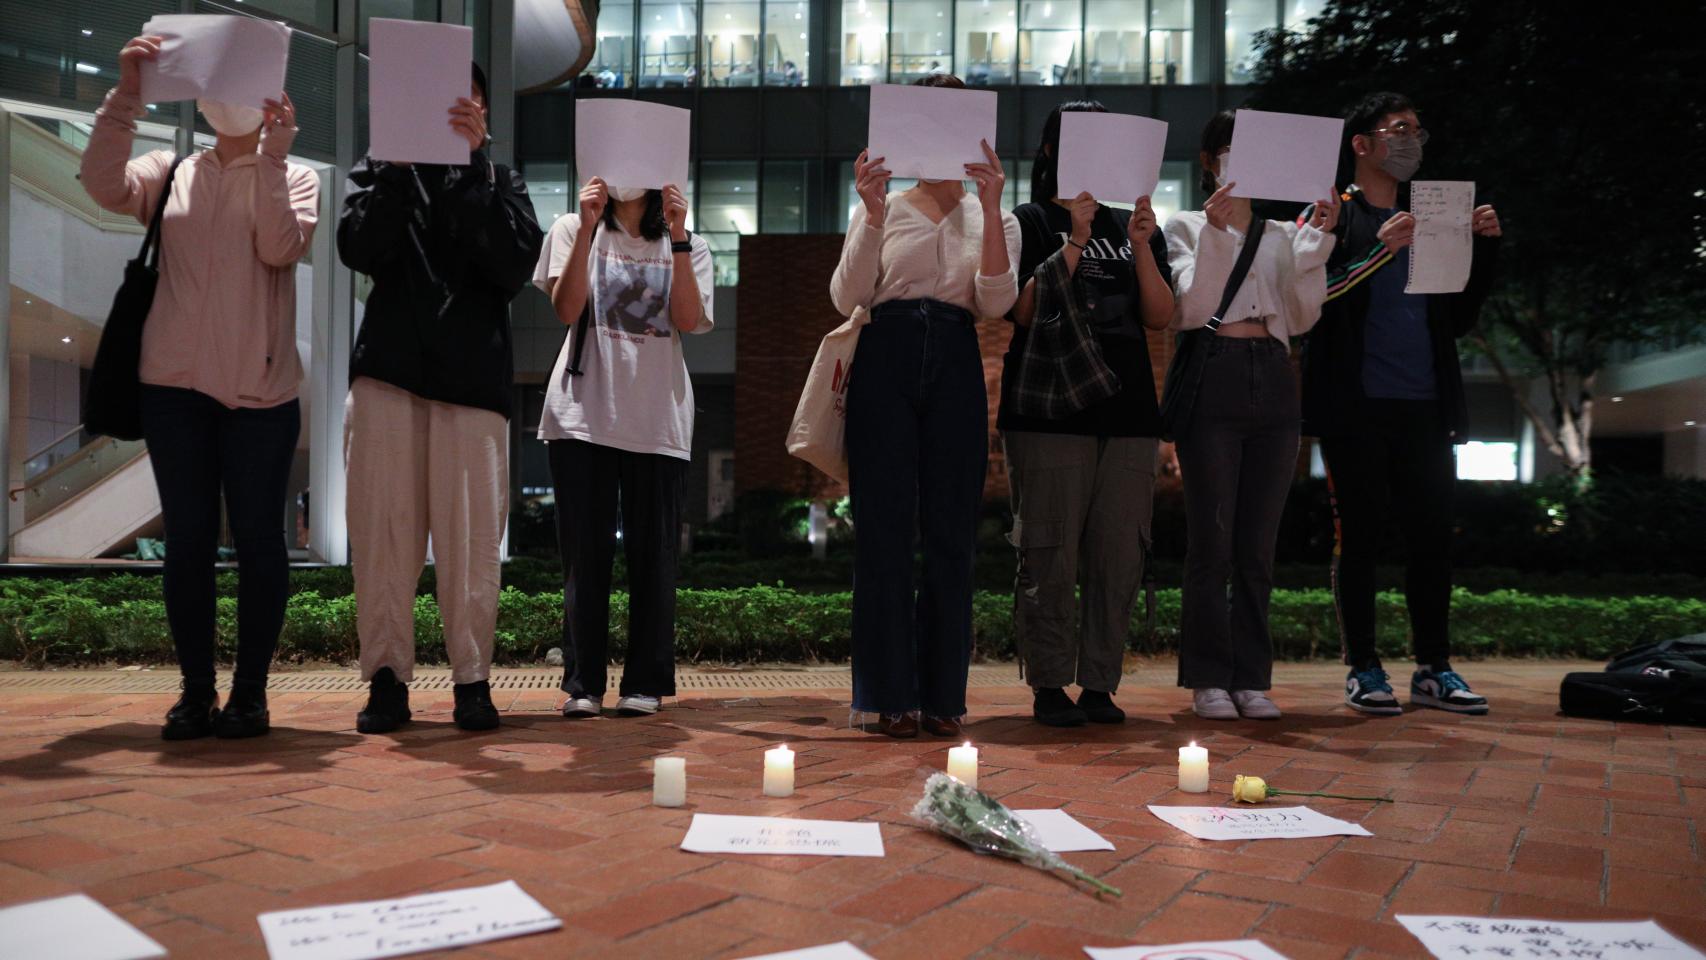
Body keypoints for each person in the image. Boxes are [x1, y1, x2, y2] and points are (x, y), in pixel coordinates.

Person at [81, 35, 317, 741]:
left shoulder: (295, 174)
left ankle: (250, 695)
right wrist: (127, 94)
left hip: (262, 394)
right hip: (174, 388)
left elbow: (280, 247)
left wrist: (274, 155)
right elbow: (100, 185)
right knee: (186, 542)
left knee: (258, 542)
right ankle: (193, 693)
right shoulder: (172, 168)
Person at [337, 62, 544, 734]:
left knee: (472, 541)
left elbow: (513, 265)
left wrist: (473, 167)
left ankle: (472, 680)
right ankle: (388, 680)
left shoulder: (499, 179)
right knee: (384, 535)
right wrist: (398, 170)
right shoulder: (379, 168)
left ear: (484, 112)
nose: (457, 110)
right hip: (388, 374)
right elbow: (357, 247)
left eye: (471, 101)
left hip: (473, 381)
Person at [830, 74, 1020, 739]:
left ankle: (942, 697)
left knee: (951, 535)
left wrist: (992, 208)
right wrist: (872, 212)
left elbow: (996, 301)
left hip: (958, 356)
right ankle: (887, 695)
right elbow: (846, 294)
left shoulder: (994, 214)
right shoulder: (885, 206)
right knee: (883, 531)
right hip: (887, 350)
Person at [1299, 92, 1502, 716]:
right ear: (1362, 144)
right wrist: (1374, 250)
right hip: (1356, 405)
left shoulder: (1436, 214)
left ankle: (1433, 668)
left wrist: (1485, 247)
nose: (1412, 140)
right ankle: (1364, 666)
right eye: (1398, 129)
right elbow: (1309, 302)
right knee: (1359, 535)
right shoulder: (1336, 212)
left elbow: (1458, 318)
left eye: (1418, 128)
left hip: (1425, 404)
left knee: (1432, 537)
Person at [999, 101, 1175, 727]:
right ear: (1052, 151)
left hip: (1128, 411)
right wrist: (1074, 237)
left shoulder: (1132, 225)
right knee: (1049, 552)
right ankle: (1050, 685)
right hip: (1048, 411)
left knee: (1118, 553)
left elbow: (1159, 315)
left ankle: (1100, 684)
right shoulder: (1028, 220)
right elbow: (1019, 311)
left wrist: (1142, 246)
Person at [1164, 110, 1339, 720]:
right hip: (1216, 370)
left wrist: (1316, 245)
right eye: (1230, 150)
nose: (1242, 161)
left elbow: (1304, 316)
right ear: (1212, 160)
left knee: (1257, 546)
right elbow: (1189, 310)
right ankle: (1209, 678)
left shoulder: (1279, 233)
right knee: (1211, 539)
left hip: (1274, 372)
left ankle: (1251, 678)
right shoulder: (1185, 224)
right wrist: (1215, 234)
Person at [532, 174, 713, 719]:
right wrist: (588, 228)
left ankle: (645, 682)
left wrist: (678, 237)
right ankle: (582, 683)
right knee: (584, 559)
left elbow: (686, 319)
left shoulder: (690, 242)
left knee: (653, 558)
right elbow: (565, 310)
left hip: (658, 417)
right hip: (582, 415)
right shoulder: (572, 226)